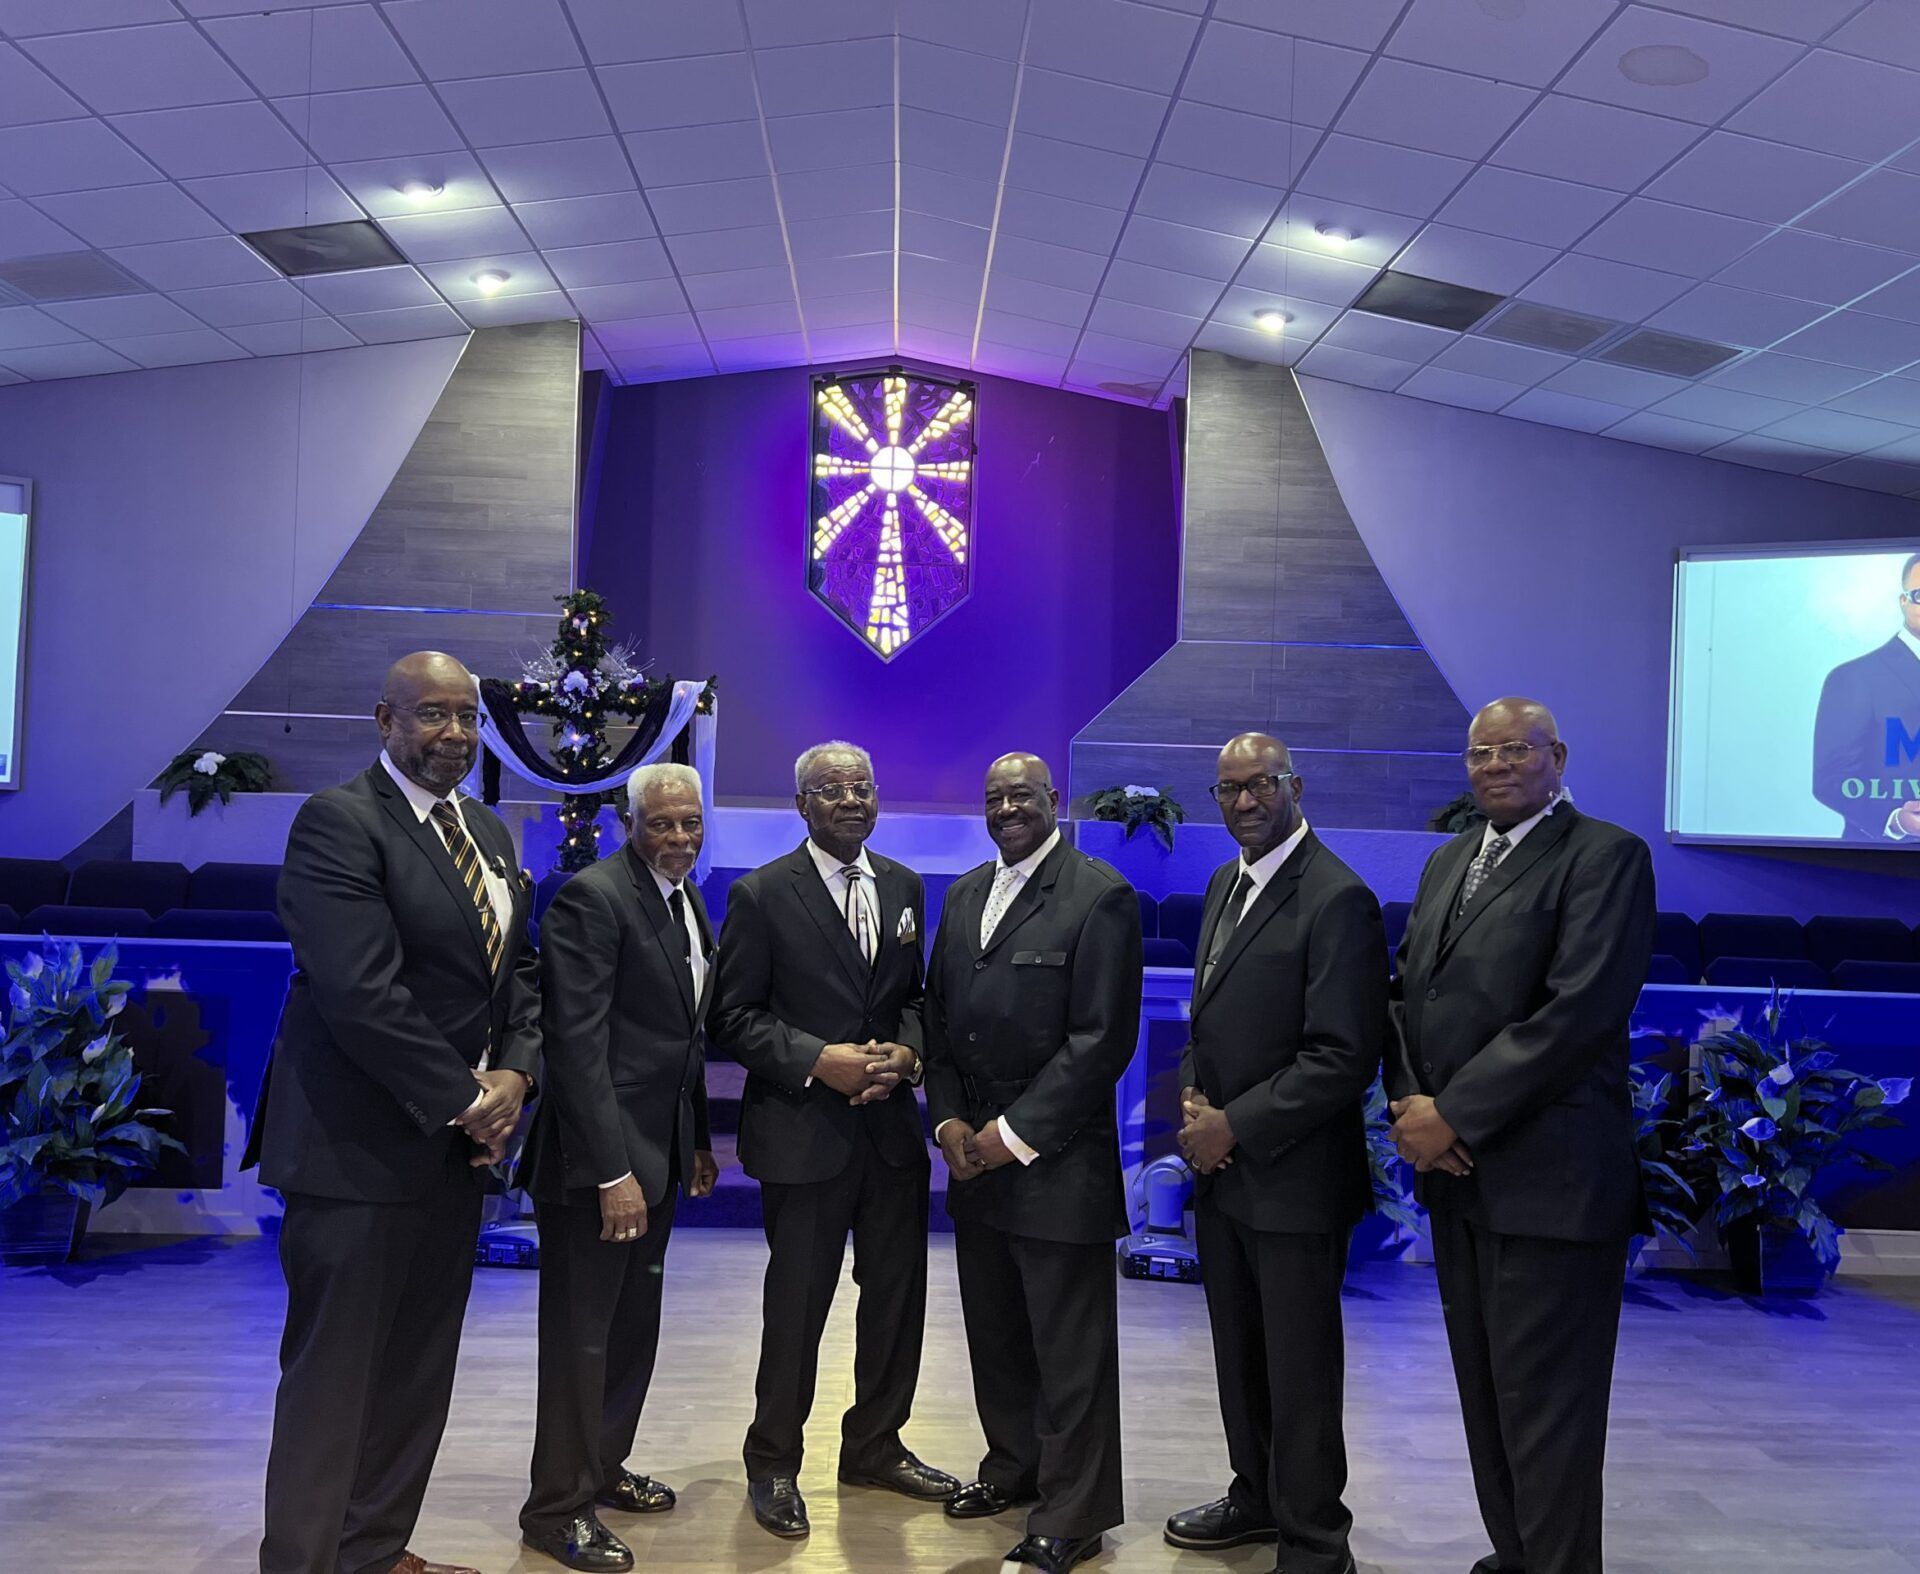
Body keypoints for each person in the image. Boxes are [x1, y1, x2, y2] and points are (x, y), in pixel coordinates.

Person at [244, 651, 539, 1574]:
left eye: (466, 717)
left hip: (450, 1159)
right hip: (354, 1152)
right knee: (334, 1381)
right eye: (431, 716)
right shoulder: (338, 823)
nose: (452, 734)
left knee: (416, 1372)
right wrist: (468, 1102)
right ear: (385, 720)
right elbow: (360, 994)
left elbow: (516, 975)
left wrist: (519, 1078)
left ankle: (372, 1551)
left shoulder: (487, 831)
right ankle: (302, 1561)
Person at [1388, 698, 1655, 1574]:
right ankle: (1515, 1555)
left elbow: (1575, 1013)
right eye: (1481, 752)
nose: (1497, 765)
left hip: (1552, 1185)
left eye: (1517, 750)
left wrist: (1453, 1113)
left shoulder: (1606, 857)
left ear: (1557, 756)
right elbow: (1405, 1001)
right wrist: (1411, 1108)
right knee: (1486, 1394)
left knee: (1550, 1408)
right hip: (1460, 1180)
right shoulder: (1447, 864)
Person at [707, 741, 959, 1539]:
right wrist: (819, 1060)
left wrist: (910, 1053)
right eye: (832, 789)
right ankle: (774, 1460)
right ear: (803, 806)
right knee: (798, 1307)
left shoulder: (905, 886)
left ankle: (876, 1446)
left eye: (863, 787)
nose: (851, 799)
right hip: (802, 1134)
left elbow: (918, 998)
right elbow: (733, 1018)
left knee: (896, 1301)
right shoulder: (759, 895)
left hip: (888, 1133)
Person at [1165, 733, 1385, 1574]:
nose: (1244, 802)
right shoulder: (1227, 884)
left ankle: (1316, 1538)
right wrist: (1194, 1099)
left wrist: (1235, 1125)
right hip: (1227, 1177)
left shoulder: (1337, 898)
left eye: (1260, 785)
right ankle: (1256, 1498)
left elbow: (1341, 1056)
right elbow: (1207, 1020)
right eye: (1227, 790)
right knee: (1241, 1355)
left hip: (1295, 1179)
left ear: (1294, 784)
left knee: (1300, 1370)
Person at [924, 752, 1143, 1574]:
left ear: (1055, 801)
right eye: (995, 797)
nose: (1009, 808)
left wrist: (1009, 1134)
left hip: (1055, 1158)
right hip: (974, 1157)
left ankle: (1076, 1512)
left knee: (1069, 1351)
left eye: (1024, 795)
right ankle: (1014, 1470)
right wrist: (947, 1121)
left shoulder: (1099, 895)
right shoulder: (967, 892)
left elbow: (1100, 1042)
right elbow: (938, 1022)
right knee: (999, 1335)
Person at [516, 763, 720, 1572]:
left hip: (659, 1153)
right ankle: (554, 1511)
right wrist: (611, 1172)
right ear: (629, 823)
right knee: (581, 1343)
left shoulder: (684, 896)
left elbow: (682, 1039)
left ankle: (601, 1470)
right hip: (597, 1168)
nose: (678, 838)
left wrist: (696, 1139)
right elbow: (575, 1046)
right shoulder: (592, 898)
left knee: (631, 1331)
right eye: (662, 824)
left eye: (690, 823)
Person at [1811, 550, 1920, 841]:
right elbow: (1830, 779)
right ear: (1904, 602)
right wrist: (1896, 819)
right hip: (1883, 866)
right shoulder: (1853, 678)